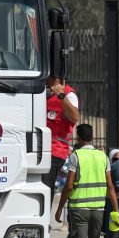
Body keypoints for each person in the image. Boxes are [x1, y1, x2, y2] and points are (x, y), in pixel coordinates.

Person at [54, 124, 119, 238]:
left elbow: (68, 186)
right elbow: (110, 186)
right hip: (98, 209)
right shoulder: (102, 156)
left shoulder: (76, 156)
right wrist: (116, 209)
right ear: (92, 137)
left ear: (79, 138)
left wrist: (60, 208)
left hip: (79, 210)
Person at [43, 75, 80, 206]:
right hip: (35, 147)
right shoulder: (41, 89)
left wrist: (62, 96)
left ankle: (44, 221)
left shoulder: (69, 95)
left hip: (54, 151)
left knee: (46, 188)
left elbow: (75, 116)